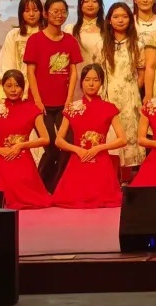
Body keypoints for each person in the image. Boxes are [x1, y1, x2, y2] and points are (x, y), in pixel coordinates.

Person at [23, 0, 83, 190]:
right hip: (41, 104)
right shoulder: (35, 40)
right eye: (55, 11)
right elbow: (30, 72)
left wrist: (69, 99)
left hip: (63, 104)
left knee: (67, 145)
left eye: (63, 12)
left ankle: (57, 188)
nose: (59, 15)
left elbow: (73, 72)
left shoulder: (70, 41)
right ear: (46, 14)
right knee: (50, 147)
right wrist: (37, 101)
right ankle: (40, 186)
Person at [52, 63, 127, 208]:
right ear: (81, 82)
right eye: (87, 80)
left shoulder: (109, 108)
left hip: (101, 162)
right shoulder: (72, 108)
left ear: (101, 83)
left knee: (104, 200)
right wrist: (77, 150)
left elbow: (122, 139)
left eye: (95, 80)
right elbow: (58, 140)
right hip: (78, 160)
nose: (91, 84)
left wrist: (99, 148)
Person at [0, 69, 52, 209]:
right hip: (0, 164)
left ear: (23, 88)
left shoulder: (32, 110)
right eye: (9, 86)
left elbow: (46, 139)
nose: (13, 90)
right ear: (3, 87)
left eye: (17, 86)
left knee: (33, 200)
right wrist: (0, 150)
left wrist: (21, 145)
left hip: (23, 163)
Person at [99, 2, 145, 179]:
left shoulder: (137, 45)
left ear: (130, 20)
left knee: (129, 136)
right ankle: (111, 179)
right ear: (109, 20)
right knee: (110, 137)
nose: (120, 20)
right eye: (116, 16)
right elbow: (97, 73)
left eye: (125, 16)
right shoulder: (101, 45)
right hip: (108, 97)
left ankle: (126, 179)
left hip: (130, 99)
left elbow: (141, 73)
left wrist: (131, 91)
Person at [0, 0, 44, 98]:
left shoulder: (47, 34)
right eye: (27, 11)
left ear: (42, 12)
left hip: (43, 87)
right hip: (18, 88)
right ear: (21, 13)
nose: (31, 14)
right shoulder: (14, 34)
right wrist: (15, 86)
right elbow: (8, 63)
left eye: (35, 10)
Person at [69, 0, 105, 64]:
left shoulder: (108, 28)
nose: (90, 5)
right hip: (77, 70)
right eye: (86, 1)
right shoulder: (70, 29)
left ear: (100, 5)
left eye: (94, 1)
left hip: (101, 70)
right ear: (80, 5)